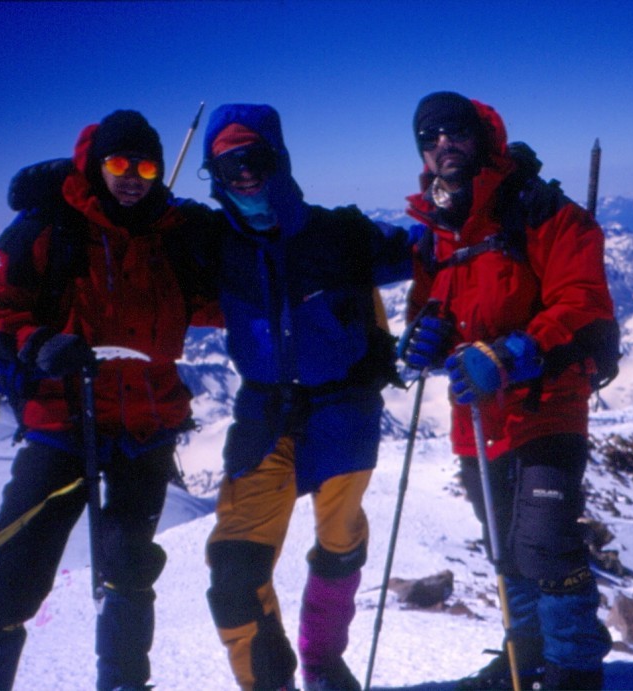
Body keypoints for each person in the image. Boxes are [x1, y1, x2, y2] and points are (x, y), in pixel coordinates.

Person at [0, 110, 219, 691]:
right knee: (14, 576)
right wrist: (37, 342)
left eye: (146, 164)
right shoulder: (50, 228)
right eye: (119, 162)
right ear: (95, 163)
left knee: (129, 567)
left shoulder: (169, 237)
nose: (133, 176)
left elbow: (215, 305)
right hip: (63, 422)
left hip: (145, 427)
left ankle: (123, 683)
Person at [398, 91, 617, 690]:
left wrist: (517, 351)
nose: (442, 143)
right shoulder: (435, 231)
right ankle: (525, 659)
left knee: (545, 544)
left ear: (482, 139)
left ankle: (573, 669)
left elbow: (583, 301)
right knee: (504, 546)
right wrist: (427, 337)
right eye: (428, 136)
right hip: (477, 416)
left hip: (549, 405)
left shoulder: (539, 209)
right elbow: (431, 310)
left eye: (454, 131)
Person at [200, 103, 417, 691]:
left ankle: (322, 661)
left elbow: (430, 248)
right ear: (212, 176)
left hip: (344, 412)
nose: (243, 174)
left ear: (279, 159)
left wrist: (482, 197)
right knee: (233, 573)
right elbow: (130, 245)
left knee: (340, 544)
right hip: (264, 414)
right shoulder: (211, 243)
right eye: (227, 166)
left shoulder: (340, 235)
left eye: (255, 159)